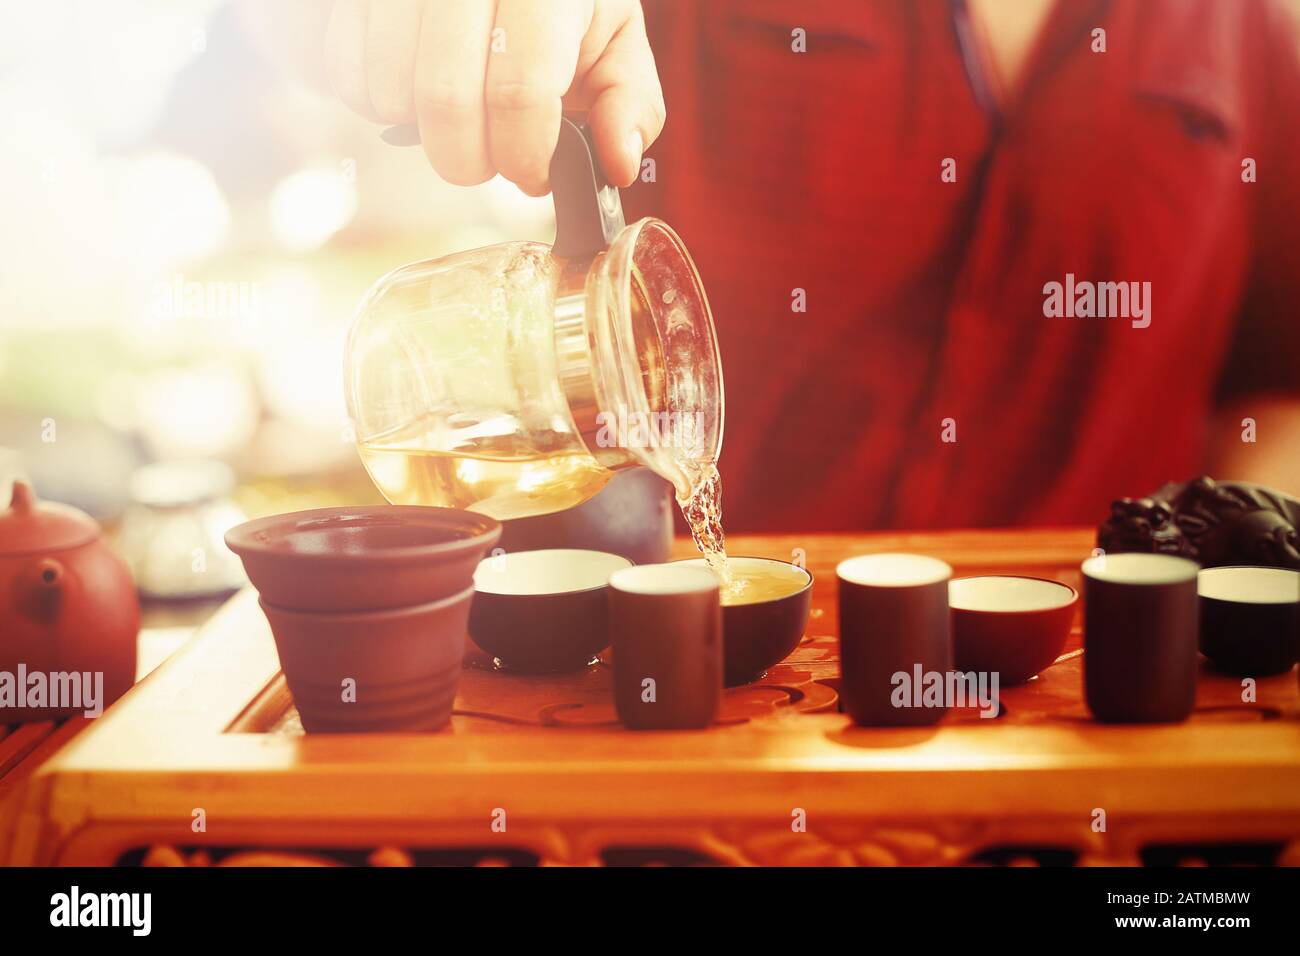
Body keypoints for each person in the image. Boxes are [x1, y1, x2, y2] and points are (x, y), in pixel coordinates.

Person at [283, 0, 1300, 531]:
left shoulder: (1248, 27)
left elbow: (1277, 389)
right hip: (685, 738)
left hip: (1102, 751)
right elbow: (271, 36)